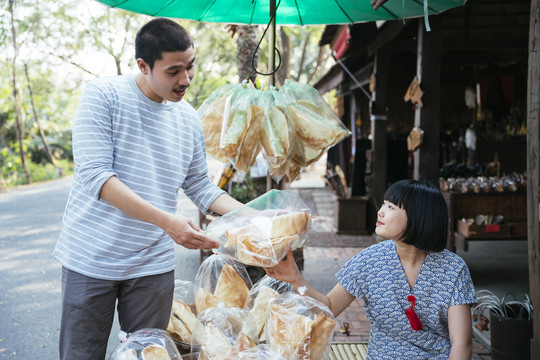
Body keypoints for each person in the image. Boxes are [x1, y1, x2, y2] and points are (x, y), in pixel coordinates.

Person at [53, 18, 243, 360]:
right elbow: (98, 177)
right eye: (173, 71)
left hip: (152, 264)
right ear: (143, 65)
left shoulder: (187, 119)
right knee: (81, 355)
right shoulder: (104, 96)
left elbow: (200, 186)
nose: (185, 79)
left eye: (190, 67)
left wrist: (257, 217)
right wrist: (168, 223)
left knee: (151, 355)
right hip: (91, 258)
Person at [266, 179, 477, 359]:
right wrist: (296, 279)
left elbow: (461, 343)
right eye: (383, 205)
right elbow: (329, 307)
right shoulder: (370, 260)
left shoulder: (453, 269)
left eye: (391, 207)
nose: (380, 212)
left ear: (419, 216)